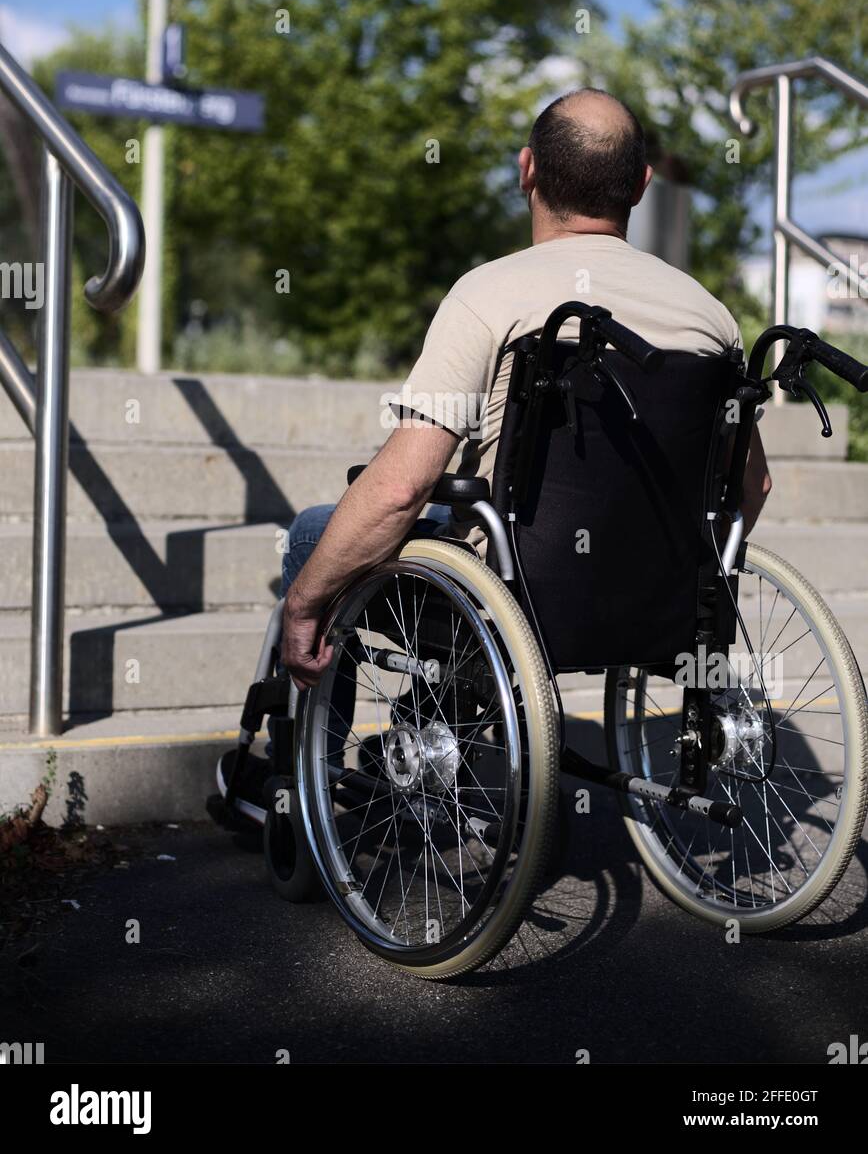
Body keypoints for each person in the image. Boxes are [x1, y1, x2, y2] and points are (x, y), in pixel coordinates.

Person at [219, 88, 771, 804]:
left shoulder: (491, 294)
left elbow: (399, 488)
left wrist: (305, 600)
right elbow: (749, 487)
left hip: (513, 590)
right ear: (640, 184)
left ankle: (310, 785)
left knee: (314, 537)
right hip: (657, 593)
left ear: (527, 171)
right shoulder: (710, 316)